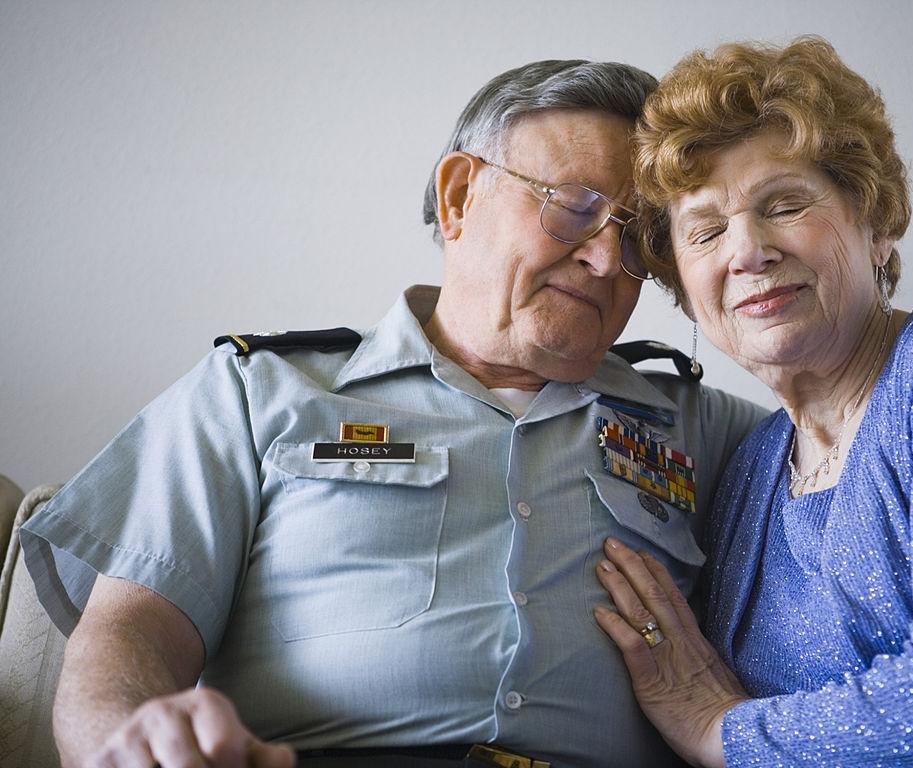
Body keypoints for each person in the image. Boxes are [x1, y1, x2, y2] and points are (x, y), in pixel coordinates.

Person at [21, 59, 766, 768]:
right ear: (459, 196)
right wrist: (131, 743)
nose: (605, 260)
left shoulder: (711, 430)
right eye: (574, 209)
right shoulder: (257, 391)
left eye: (637, 239)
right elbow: (130, 633)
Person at [594, 37, 913, 767]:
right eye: (705, 232)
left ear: (877, 224)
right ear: (685, 292)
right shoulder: (752, 466)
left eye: (785, 205)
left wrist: (721, 732)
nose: (747, 252)